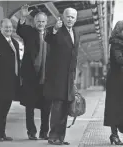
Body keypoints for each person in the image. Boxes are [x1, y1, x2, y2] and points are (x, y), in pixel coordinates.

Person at [44, 7, 79, 145]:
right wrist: (54, 29)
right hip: (57, 78)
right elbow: (49, 39)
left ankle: (61, 138)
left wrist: (74, 77)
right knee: (57, 108)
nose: (70, 19)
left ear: (76, 19)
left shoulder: (76, 33)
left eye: (72, 17)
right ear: (63, 17)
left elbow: (74, 56)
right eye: (68, 16)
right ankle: (53, 137)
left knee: (65, 110)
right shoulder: (57, 30)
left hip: (69, 78)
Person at [16, 4, 51, 140]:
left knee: (46, 107)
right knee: (29, 107)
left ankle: (44, 132)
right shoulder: (29, 32)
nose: (40, 24)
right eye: (38, 21)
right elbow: (20, 30)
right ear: (34, 22)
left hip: (46, 77)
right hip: (30, 76)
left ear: (46, 22)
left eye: (43, 22)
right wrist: (23, 17)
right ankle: (31, 132)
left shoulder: (50, 35)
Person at [0, 18, 21, 141]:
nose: (8, 29)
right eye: (6, 27)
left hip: (11, 81)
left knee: (5, 109)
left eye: (10, 27)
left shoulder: (15, 43)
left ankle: (1, 133)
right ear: (0, 28)